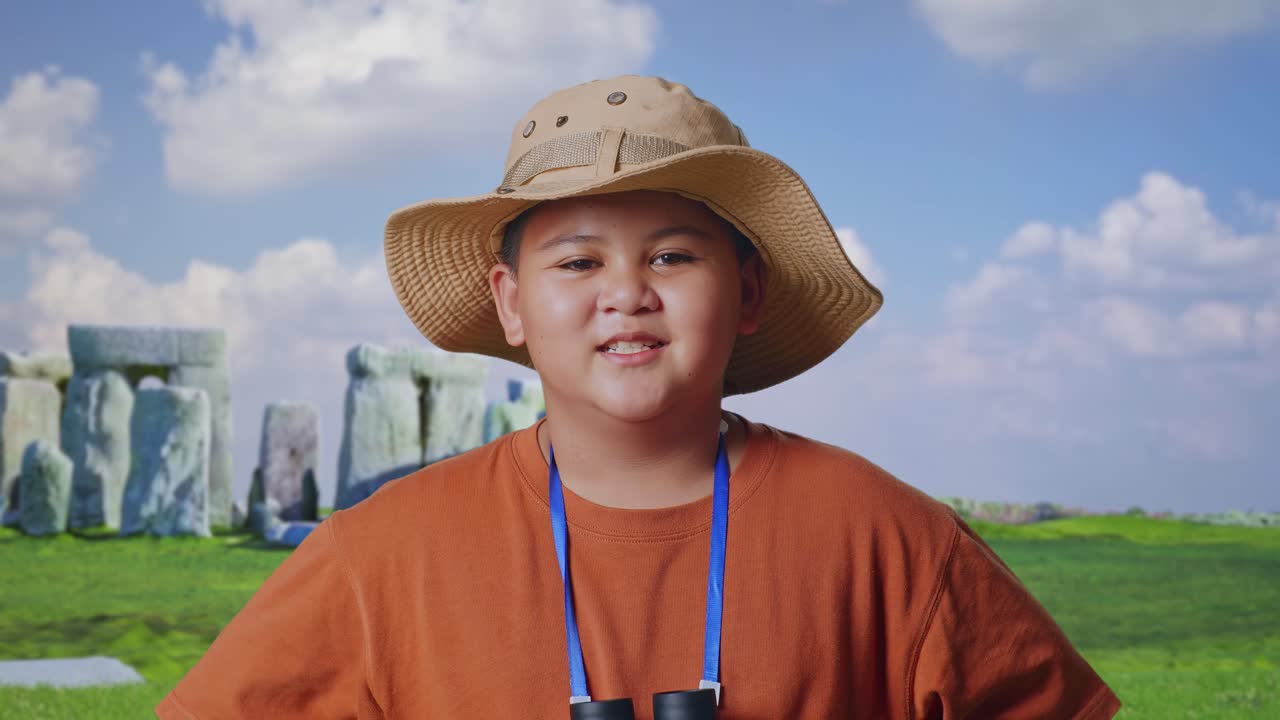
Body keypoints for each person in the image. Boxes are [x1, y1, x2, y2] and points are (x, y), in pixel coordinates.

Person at [155, 75, 1122, 719]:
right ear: (511, 303)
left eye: (672, 254)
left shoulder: (889, 540)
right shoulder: (380, 556)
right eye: (577, 260)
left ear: (747, 292)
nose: (628, 291)